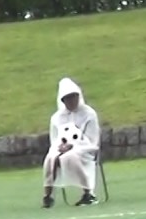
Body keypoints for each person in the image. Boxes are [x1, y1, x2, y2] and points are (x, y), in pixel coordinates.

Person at [41, 77, 101, 208]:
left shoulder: (89, 114)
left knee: (71, 156)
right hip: (62, 149)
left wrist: (73, 146)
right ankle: (48, 195)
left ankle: (88, 193)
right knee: (51, 158)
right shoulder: (57, 117)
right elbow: (54, 139)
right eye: (67, 98)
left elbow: (93, 140)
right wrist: (60, 147)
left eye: (74, 97)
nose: (71, 101)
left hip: (85, 149)